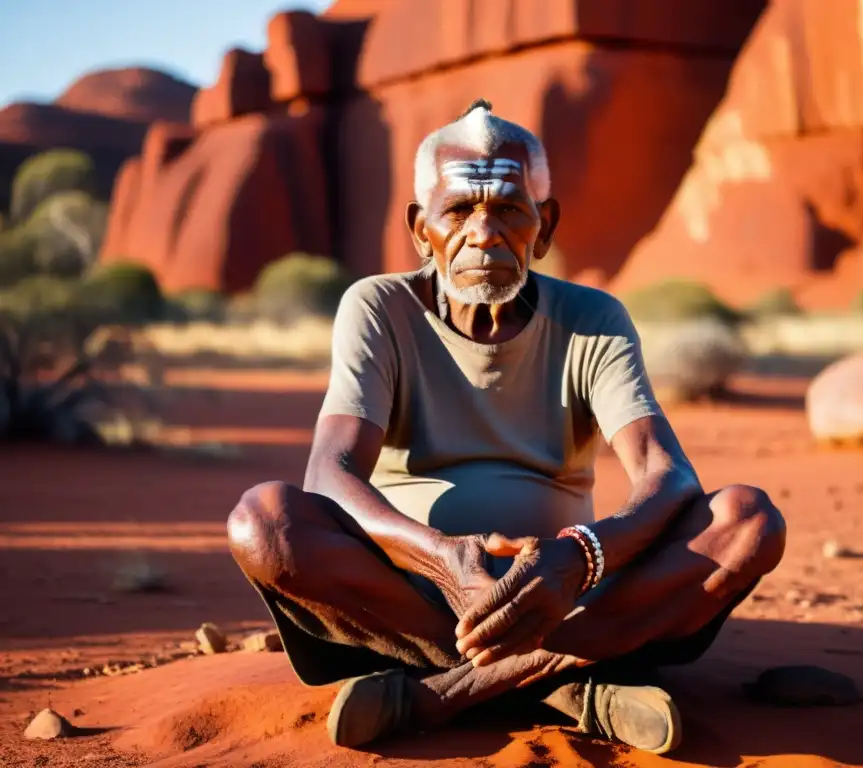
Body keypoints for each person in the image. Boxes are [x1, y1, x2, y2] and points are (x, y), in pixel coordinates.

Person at [226, 99, 786, 755]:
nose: (485, 233)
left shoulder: (592, 318)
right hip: (414, 592)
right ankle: (570, 682)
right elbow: (329, 472)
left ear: (543, 228)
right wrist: (443, 561)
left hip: (568, 591)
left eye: (510, 210)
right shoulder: (380, 307)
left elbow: (668, 474)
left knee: (749, 520)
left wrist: (581, 554)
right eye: (459, 210)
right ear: (420, 229)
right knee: (263, 522)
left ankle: (439, 695)